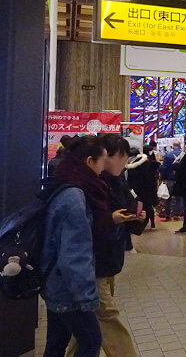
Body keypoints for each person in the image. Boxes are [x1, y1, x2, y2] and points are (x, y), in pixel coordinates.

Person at [66, 134, 144, 357]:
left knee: (90, 322)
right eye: (119, 156)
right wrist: (113, 219)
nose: (123, 162)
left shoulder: (118, 181)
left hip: (108, 260)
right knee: (107, 317)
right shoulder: (85, 187)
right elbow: (84, 228)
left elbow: (119, 214)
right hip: (92, 263)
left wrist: (135, 218)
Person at [41, 135, 107, 357]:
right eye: (102, 162)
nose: (103, 168)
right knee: (91, 341)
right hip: (68, 290)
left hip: (53, 282)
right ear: (89, 161)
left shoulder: (64, 184)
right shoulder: (75, 198)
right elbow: (74, 255)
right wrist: (87, 297)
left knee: (56, 345)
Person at [127, 146, 160, 229]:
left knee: (141, 206)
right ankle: (151, 223)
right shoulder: (146, 162)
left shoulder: (132, 166)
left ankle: (142, 224)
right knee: (148, 206)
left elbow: (130, 179)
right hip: (147, 188)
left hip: (137, 189)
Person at [159, 140, 182, 219]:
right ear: (180, 146)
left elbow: (164, 168)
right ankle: (177, 214)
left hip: (170, 178)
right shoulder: (183, 155)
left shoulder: (167, 155)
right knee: (178, 197)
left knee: (168, 197)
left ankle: (168, 214)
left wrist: (163, 178)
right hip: (180, 179)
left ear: (172, 146)